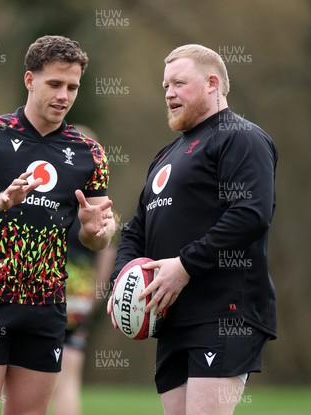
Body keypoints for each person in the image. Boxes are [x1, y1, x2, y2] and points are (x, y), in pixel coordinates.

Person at [0, 35, 115, 415]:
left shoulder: (90, 153)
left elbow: (100, 237)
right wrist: (1, 200)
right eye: (54, 84)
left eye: (72, 87)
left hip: (48, 306)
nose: (64, 96)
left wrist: (92, 229)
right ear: (30, 80)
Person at [108, 44, 278, 415]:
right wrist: (123, 277)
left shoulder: (241, 137)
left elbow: (251, 213)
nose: (168, 93)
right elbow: (137, 229)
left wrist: (184, 266)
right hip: (172, 318)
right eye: (165, 85)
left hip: (224, 311)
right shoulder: (166, 154)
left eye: (179, 83)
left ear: (213, 83)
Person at [50, 217, 115, 415]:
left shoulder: (54, 201)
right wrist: (93, 301)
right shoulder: (102, 212)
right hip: (80, 300)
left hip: (47, 294)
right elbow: (107, 255)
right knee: (68, 382)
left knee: (31, 373)